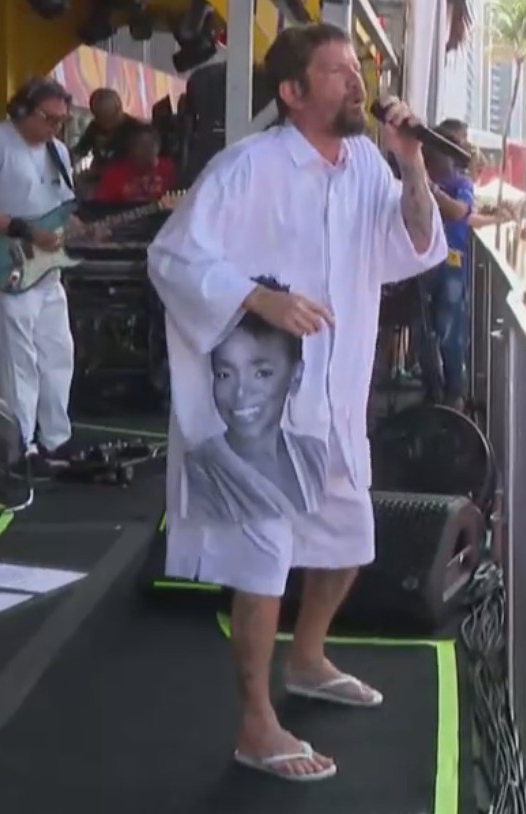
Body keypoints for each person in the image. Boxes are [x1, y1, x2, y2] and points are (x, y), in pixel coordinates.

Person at [146, 23, 445, 782]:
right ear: (293, 92)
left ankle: (307, 659)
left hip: (337, 398)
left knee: (347, 540)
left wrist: (411, 161)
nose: (357, 82)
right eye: (338, 71)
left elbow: (412, 245)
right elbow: (172, 256)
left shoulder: (368, 170)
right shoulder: (246, 168)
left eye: (357, 69)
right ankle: (254, 724)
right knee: (262, 561)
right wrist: (256, 300)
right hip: (262, 406)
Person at [0, 77, 82, 465]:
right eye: (48, 118)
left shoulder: (58, 152)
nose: (55, 127)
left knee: (58, 352)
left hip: (48, 269)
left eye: (61, 120)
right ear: (21, 110)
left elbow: (64, 209)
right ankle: (22, 443)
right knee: (17, 358)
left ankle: (56, 436)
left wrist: (78, 229)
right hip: (6, 259)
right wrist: (24, 230)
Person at [184, 276, 329, 523]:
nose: (240, 393)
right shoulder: (202, 470)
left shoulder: (313, 457)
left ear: (295, 376)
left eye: (262, 374)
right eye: (225, 374)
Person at [417, 118, 511, 410]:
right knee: (422, 330)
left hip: (450, 264)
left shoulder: (460, 183)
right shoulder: (418, 178)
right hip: (419, 262)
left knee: (449, 329)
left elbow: (459, 212)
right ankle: (433, 388)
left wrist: (429, 190)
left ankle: (454, 392)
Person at [90, 121, 175, 205]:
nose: (145, 152)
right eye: (141, 147)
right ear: (131, 149)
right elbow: (100, 208)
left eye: (149, 146)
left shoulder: (169, 169)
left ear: (158, 147)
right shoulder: (113, 175)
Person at [71, 88, 140, 180]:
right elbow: (80, 150)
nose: (106, 124)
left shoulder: (136, 130)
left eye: (110, 118)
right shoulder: (94, 127)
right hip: (97, 180)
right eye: (100, 118)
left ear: (119, 110)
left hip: (126, 180)